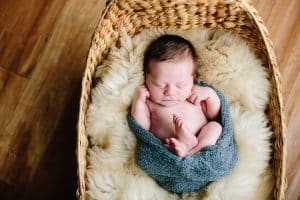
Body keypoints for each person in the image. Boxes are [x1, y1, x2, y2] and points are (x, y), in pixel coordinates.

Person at [131, 34, 222, 158]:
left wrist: (210, 95)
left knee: (215, 127)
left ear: (193, 79)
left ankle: (192, 152)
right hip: (171, 147)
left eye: (180, 85)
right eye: (160, 85)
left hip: (202, 140)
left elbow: (215, 116)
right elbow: (142, 128)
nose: (170, 92)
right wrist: (139, 101)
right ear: (146, 77)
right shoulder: (150, 103)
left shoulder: (194, 94)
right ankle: (183, 148)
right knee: (168, 149)